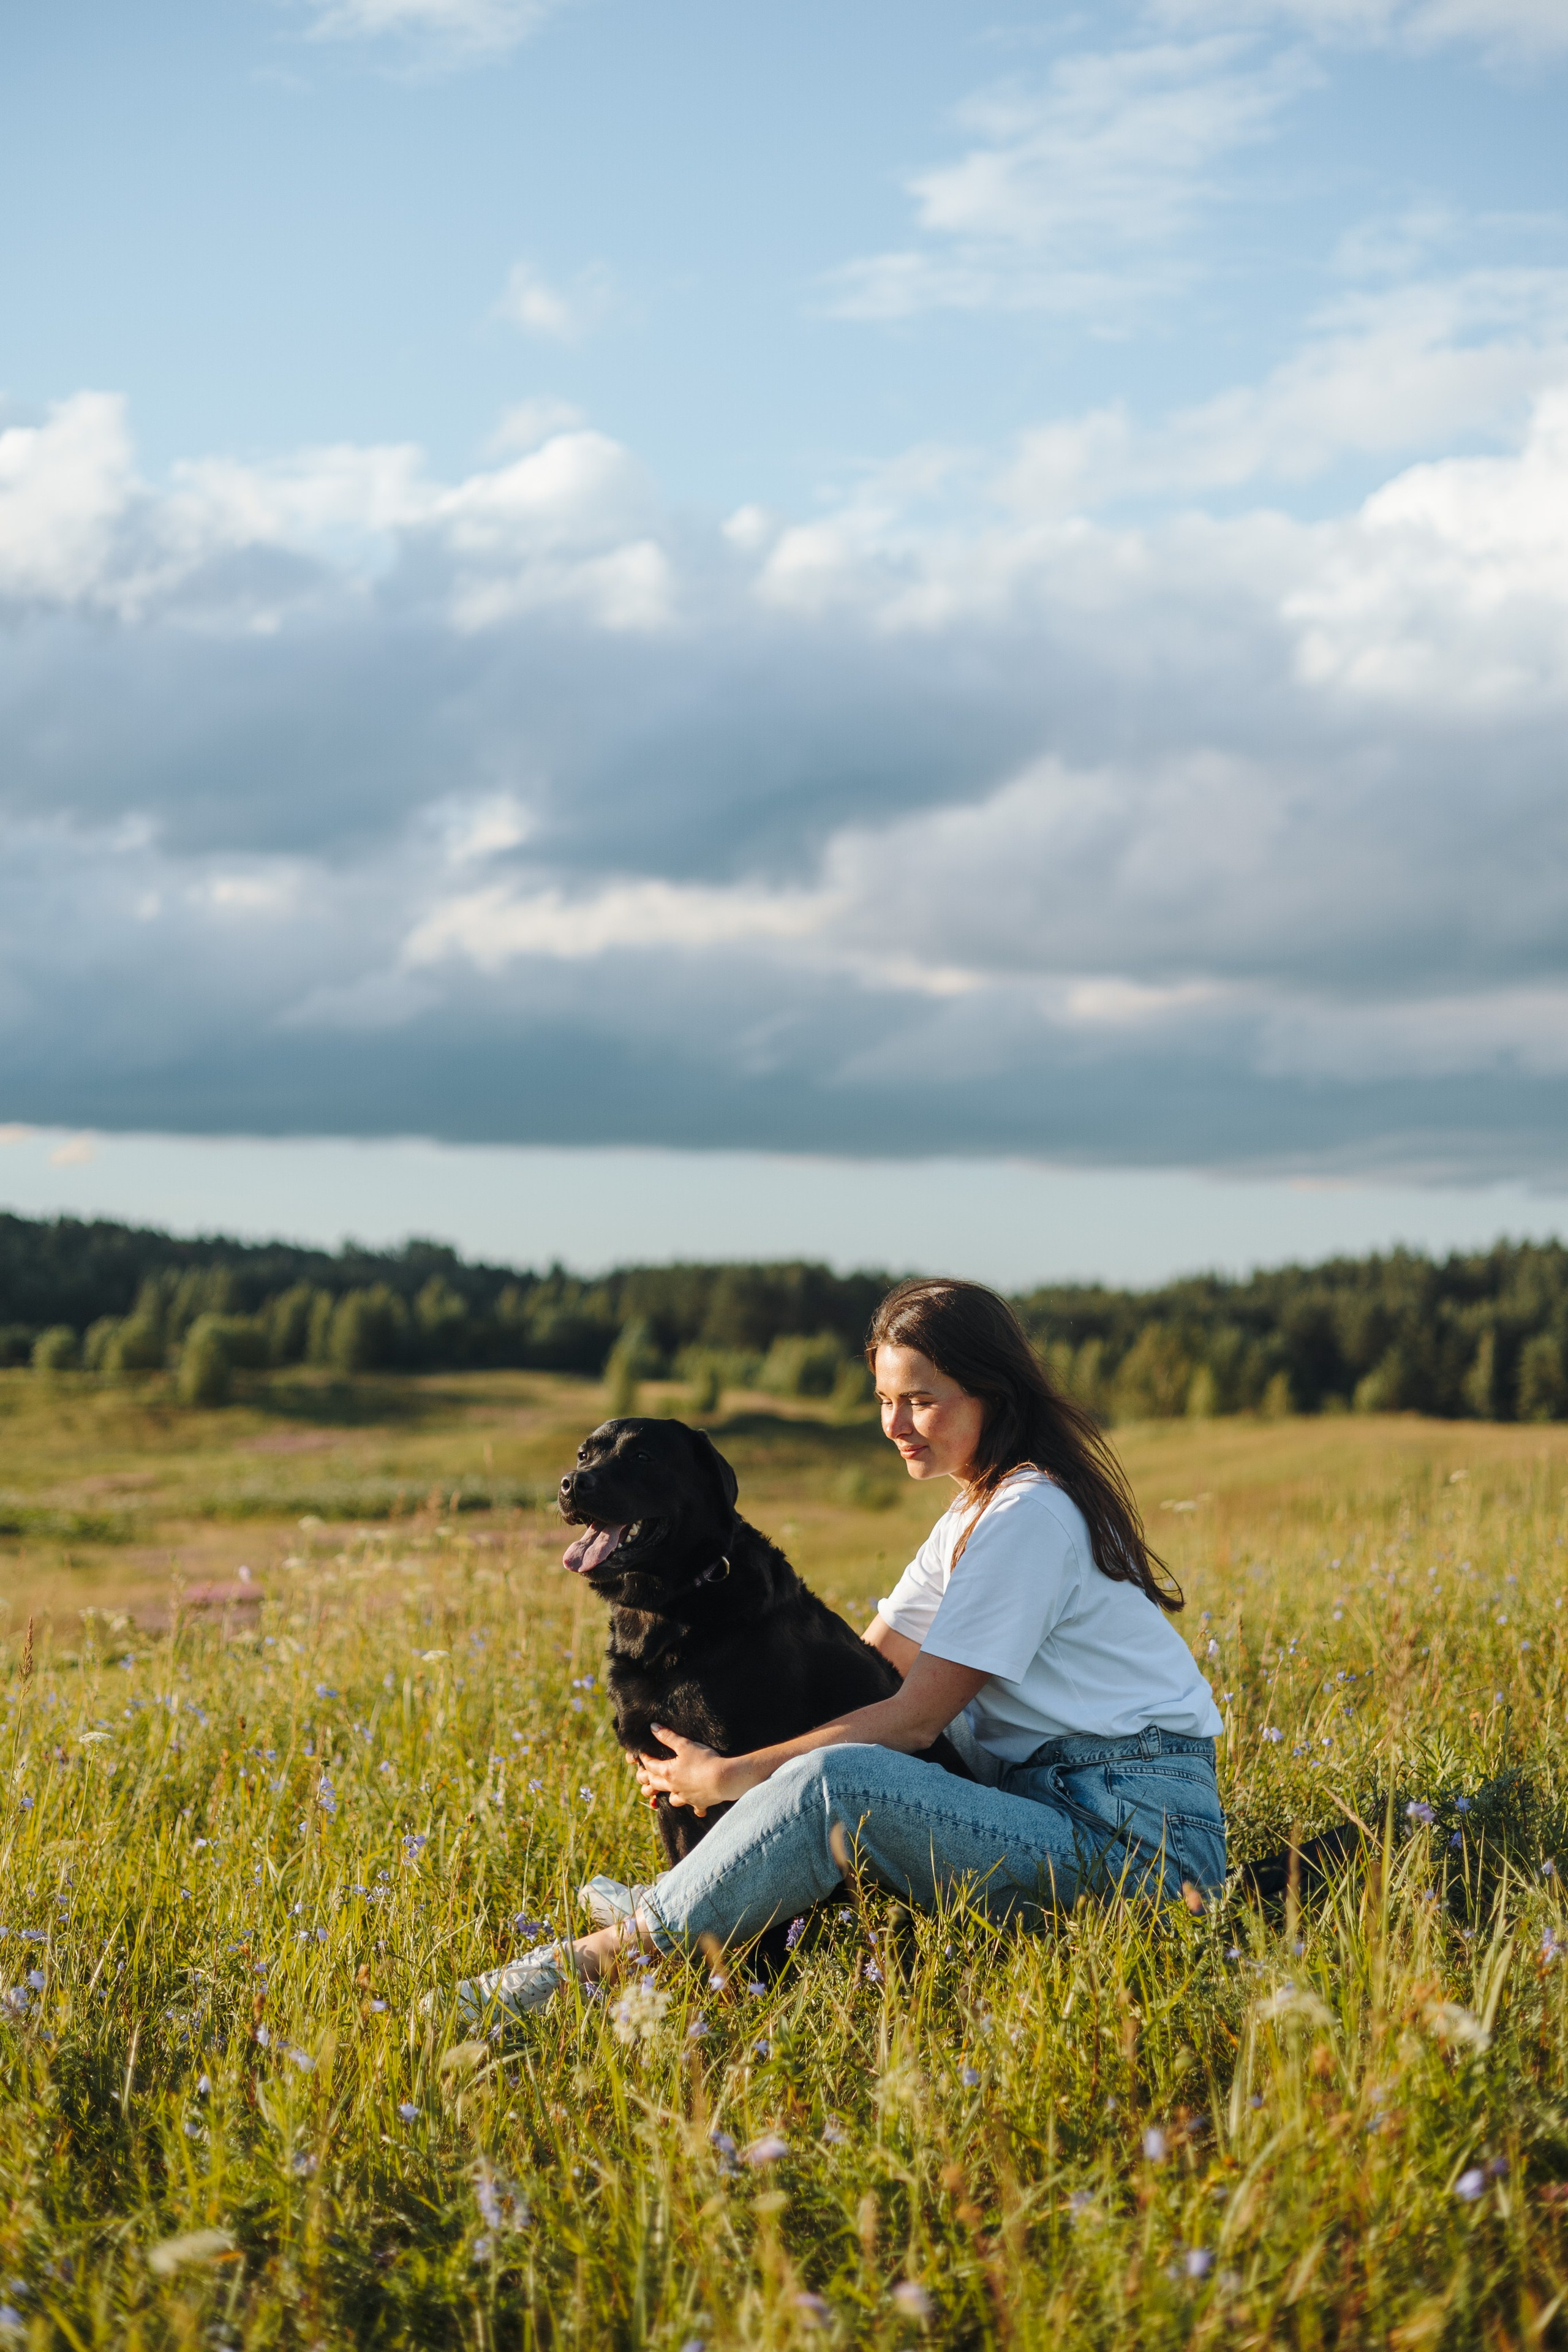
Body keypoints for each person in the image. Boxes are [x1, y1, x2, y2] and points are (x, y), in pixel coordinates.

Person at [450, 1277, 1224, 2026]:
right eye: (886, 1400)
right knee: (823, 1757)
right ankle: (707, 1895)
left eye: (922, 1400)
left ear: (996, 1395)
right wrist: (706, 1749)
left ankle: (593, 1960)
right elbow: (856, 1677)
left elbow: (912, 1720)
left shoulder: (1028, 1516)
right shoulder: (973, 1513)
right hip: (1042, 1805)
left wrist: (730, 1777)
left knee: (836, 1779)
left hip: (1135, 1847)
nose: (896, 1424)